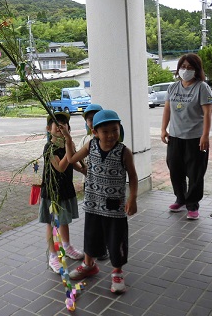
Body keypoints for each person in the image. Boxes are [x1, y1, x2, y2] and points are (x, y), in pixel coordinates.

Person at [59, 109, 138, 294]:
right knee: (91, 235)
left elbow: (133, 177)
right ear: (95, 132)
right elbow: (71, 159)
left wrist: (132, 198)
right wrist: (68, 139)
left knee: (116, 239)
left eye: (115, 130)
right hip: (93, 202)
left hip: (114, 206)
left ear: (120, 129)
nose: (111, 135)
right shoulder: (90, 145)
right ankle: (88, 265)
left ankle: (117, 272)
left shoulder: (123, 152)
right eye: (105, 131)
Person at [161, 53, 212, 220]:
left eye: (190, 68)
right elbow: (167, 110)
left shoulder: (202, 87)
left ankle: (192, 205)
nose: (186, 70)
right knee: (175, 170)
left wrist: (205, 136)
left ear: (196, 70)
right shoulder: (173, 87)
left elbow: (207, 113)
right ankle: (180, 199)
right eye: (183, 67)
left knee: (195, 173)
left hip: (195, 138)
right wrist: (163, 129)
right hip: (175, 137)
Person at [39, 112, 86, 274]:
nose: (60, 127)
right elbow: (61, 167)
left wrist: (83, 170)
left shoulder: (67, 144)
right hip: (52, 192)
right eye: (56, 124)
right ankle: (53, 255)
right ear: (48, 129)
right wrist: (69, 146)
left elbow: (73, 163)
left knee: (64, 220)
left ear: (68, 128)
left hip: (65, 189)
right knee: (52, 224)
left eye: (64, 124)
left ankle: (66, 246)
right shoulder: (49, 148)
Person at [78, 103, 109, 261]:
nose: (92, 121)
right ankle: (92, 250)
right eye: (89, 119)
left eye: (95, 118)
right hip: (89, 185)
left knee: (105, 216)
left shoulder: (107, 136)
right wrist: (83, 169)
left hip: (106, 187)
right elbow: (75, 159)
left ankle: (103, 248)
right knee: (92, 218)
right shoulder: (86, 140)